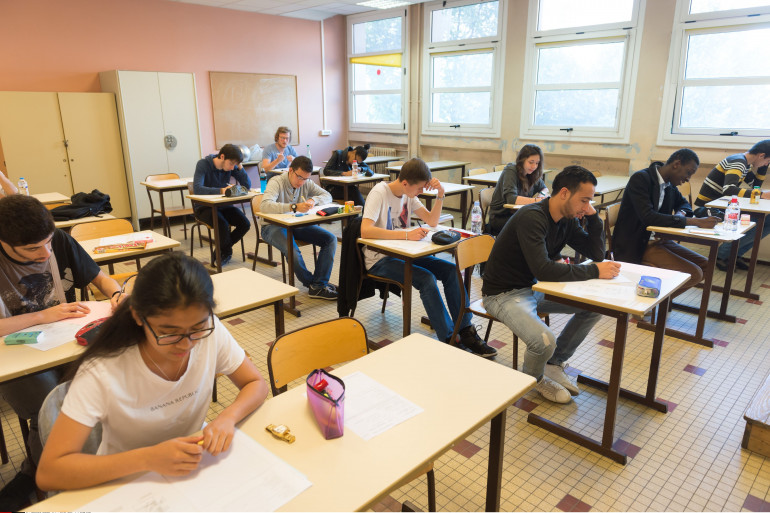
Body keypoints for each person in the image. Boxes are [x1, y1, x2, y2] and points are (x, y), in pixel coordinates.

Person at [36, 252, 268, 491]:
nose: (186, 344)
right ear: (138, 316)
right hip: (124, 482)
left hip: (189, 471)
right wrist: (148, 458)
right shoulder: (103, 370)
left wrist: (227, 418)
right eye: (168, 333)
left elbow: (255, 383)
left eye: (198, 328)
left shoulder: (210, 330)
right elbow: (50, 472)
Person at [0, 195, 123, 510]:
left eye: (48, 242)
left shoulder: (59, 241)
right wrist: (43, 316)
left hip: (63, 344)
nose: (45, 253)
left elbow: (100, 278)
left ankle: (92, 458)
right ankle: (42, 473)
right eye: (33, 249)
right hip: (14, 356)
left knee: (107, 380)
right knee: (49, 401)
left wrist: (118, 294)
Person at [482, 166, 620, 404]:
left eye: (590, 201)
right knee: (543, 341)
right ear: (564, 193)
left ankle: (553, 363)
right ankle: (534, 379)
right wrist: (595, 270)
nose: (586, 206)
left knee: (594, 307)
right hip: (502, 295)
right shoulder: (532, 217)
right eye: (584, 200)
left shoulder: (567, 219)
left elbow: (596, 253)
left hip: (534, 289)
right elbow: (544, 270)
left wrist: (593, 217)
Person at [360, 158, 496, 357]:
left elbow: (432, 220)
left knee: (450, 270)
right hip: (379, 259)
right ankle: (449, 338)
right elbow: (365, 230)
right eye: (419, 189)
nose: (421, 192)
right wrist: (407, 235)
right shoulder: (379, 192)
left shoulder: (408, 194)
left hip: (404, 254)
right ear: (405, 183)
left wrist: (441, 194)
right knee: (427, 279)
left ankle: (466, 331)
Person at [614, 149, 720, 295]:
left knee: (707, 266)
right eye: (688, 172)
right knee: (694, 274)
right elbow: (648, 217)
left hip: (660, 240)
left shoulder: (669, 185)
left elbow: (684, 204)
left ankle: (662, 301)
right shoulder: (641, 179)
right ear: (676, 164)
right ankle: (654, 301)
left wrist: (681, 214)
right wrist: (695, 222)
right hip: (638, 244)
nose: (688, 178)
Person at [259, 156, 339, 300]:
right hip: (271, 226)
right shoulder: (276, 182)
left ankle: (318, 285)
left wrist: (313, 200)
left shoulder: (306, 183)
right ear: (291, 171)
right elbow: (264, 206)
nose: (301, 182)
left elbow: (327, 195)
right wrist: (294, 207)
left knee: (330, 239)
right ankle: (315, 285)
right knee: (292, 249)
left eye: (306, 179)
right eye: (299, 177)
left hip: (294, 224)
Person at [693, 140, 770, 271]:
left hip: (720, 206)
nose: (767, 164)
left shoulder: (745, 164)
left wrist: (762, 168)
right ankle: (722, 255)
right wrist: (761, 194)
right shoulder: (738, 162)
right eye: (768, 161)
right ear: (761, 155)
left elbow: (755, 185)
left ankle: (734, 254)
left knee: (767, 221)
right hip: (707, 209)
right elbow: (728, 190)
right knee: (754, 220)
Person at [192, 143, 252, 266]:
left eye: (235, 165)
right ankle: (226, 253)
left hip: (224, 206)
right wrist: (221, 190)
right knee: (222, 224)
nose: (232, 167)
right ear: (222, 157)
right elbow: (197, 189)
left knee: (245, 224)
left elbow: (247, 185)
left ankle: (222, 251)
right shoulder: (203, 164)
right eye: (231, 163)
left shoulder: (231, 166)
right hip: (204, 207)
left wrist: (240, 167)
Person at [488, 144, 549, 236]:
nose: (534, 166)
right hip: (501, 217)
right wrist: (537, 201)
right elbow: (512, 199)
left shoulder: (531, 173)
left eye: (537, 163)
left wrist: (542, 195)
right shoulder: (511, 170)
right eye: (531, 162)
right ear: (522, 160)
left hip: (518, 214)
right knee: (534, 225)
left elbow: (544, 188)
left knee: (543, 222)